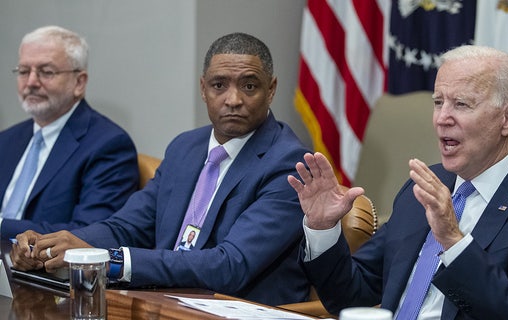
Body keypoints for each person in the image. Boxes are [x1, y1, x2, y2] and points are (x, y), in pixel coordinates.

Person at [11, 32, 311, 306]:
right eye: (219, 85)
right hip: (160, 300)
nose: (233, 100)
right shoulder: (186, 147)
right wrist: (51, 248)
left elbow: (229, 265)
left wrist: (112, 262)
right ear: (203, 88)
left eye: (249, 85)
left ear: (270, 90)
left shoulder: (289, 163)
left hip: (232, 306)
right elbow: (126, 227)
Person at [288, 45, 508, 319]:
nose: (442, 118)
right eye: (438, 102)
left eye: (461, 104)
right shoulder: (423, 188)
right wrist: (323, 229)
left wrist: (454, 242)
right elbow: (354, 295)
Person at [0, 25, 138, 240]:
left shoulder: (109, 145)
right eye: (24, 71)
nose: (31, 82)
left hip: (43, 270)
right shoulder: (7, 140)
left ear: (79, 82)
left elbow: (88, 232)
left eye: (46, 72)